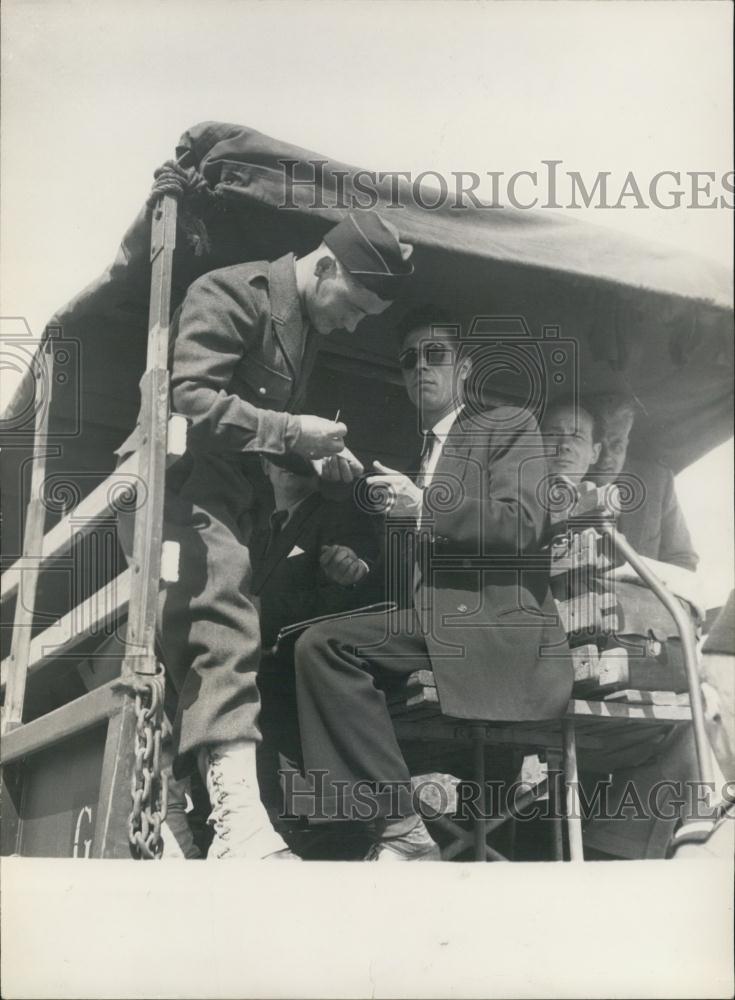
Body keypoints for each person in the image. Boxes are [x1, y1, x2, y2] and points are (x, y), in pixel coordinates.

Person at [116, 211, 413, 859]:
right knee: (225, 630)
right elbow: (188, 399)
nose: (355, 323)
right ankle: (239, 826)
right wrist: (291, 432)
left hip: (225, 496)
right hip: (176, 485)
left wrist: (309, 457)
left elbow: (249, 427)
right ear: (326, 266)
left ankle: (176, 823)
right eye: (356, 306)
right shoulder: (231, 293)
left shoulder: (304, 324)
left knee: (198, 652)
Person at [292, 306, 572, 861]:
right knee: (300, 649)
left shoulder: (507, 424)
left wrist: (423, 508)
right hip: (437, 626)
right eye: (408, 360)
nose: (420, 367)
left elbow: (524, 524)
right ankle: (345, 833)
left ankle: (399, 831)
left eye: (435, 355)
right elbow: (413, 580)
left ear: (464, 369)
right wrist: (354, 566)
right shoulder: (415, 459)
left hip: (497, 629)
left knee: (324, 649)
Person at [540, 398, 721, 860]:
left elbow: (684, 567)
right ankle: (617, 851)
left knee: (695, 714)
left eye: (624, 442)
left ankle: (623, 852)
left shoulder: (653, 481)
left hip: (636, 646)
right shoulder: (547, 486)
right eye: (608, 442)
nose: (616, 454)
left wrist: (632, 572)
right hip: (568, 652)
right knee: (672, 725)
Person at [251, 455, 381, 820]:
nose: (290, 463)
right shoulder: (258, 533)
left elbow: (348, 596)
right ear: (265, 465)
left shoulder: (338, 515)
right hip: (265, 667)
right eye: (280, 454)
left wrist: (261, 616)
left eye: (302, 454)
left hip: (301, 668)